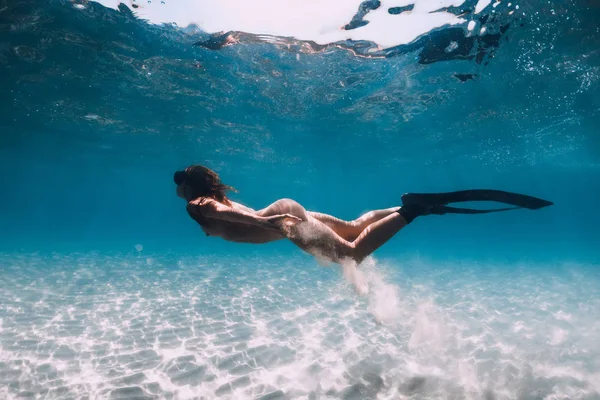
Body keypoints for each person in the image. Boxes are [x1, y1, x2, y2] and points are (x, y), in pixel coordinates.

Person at [174, 165, 553, 265]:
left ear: (190, 187)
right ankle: (410, 205)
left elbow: (219, 213)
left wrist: (264, 223)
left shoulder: (197, 205)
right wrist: (268, 220)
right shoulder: (212, 200)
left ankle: (413, 211)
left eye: (180, 183)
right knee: (355, 226)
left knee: (350, 253)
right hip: (286, 210)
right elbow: (226, 212)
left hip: (283, 221)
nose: (177, 190)